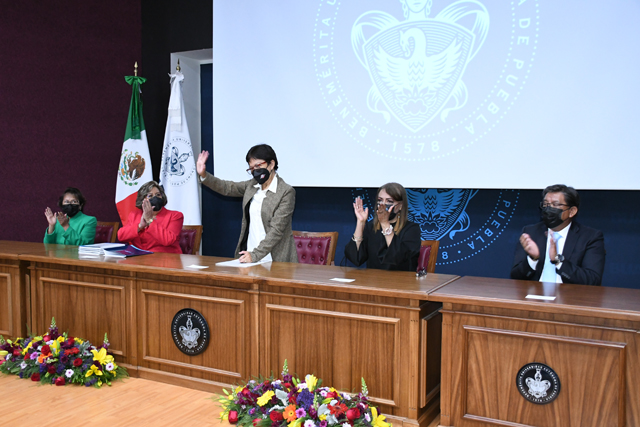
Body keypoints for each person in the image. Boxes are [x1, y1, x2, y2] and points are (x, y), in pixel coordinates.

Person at [196, 144, 297, 263]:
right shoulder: (252, 186)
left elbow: (276, 231)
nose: (255, 171)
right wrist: (204, 175)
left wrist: (255, 255)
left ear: (271, 164)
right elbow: (227, 187)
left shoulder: (285, 192)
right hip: (250, 255)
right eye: (252, 168)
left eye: (258, 165)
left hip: (275, 259)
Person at [511, 184, 605, 286]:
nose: (548, 209)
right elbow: (516, 277)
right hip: (534, 296)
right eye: (546, 205)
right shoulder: (531, 232)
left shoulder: (590, 237)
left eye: (555, 205)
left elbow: (592, 280)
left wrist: (558, 261)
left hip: (570, 297)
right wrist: (532, 259)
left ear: (572, 211)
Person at [344, 183, 421, 271]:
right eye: (380, 200)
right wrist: (360, 222)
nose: (383, 205)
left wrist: (385, 224)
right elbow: (356, 258)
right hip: (373, 281)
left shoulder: (411, 229)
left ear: (400, 206)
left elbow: (398, 259)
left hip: (400, 281)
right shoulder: (371, 227)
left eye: (389, 201)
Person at [117, 181, 184, 254]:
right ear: (142, 199)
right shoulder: (135, 215)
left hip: (165, 259)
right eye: (150, 196)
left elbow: (168, 240)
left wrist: (149, 220)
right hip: (138, 258)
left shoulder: (175, 216)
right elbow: (121, 236)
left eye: (158, 195)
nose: (155, 198)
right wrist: (140, 226)